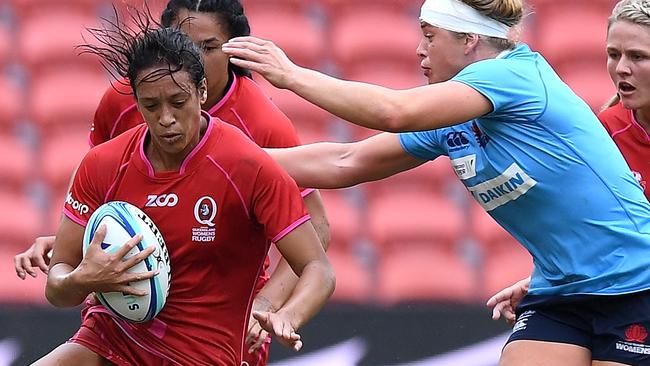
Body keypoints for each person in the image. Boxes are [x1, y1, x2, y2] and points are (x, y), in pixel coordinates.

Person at [222, 0, 650, 364]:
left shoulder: (514, 76)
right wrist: (220, 157)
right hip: (561, 289)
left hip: (636, 282)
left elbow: (394, 111)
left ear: (468, 40)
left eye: (430, 35)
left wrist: (292, 75)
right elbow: (345, 160)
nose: (419, 49)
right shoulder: (453, 114)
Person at [14, 1, 330, 363]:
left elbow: (318, 252)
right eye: (150, 106)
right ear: (137, 100)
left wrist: (276, 308)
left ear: (200, 92)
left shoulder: (251, 151)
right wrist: (82, 270)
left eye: (207, 47)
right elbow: (67, 278)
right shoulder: (107, 147)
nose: (165, 119)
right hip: (114, 332)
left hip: (208, 341)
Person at [487, 0, 650, 328]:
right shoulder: (605, 131)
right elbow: (597, 236)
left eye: (638, 56)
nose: (621, 68)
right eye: (613, 54)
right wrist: (545, 282)